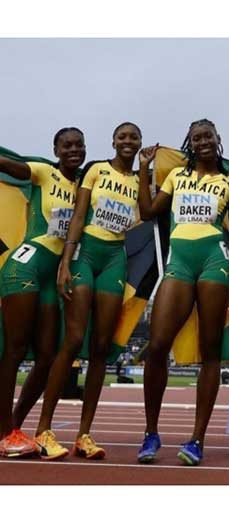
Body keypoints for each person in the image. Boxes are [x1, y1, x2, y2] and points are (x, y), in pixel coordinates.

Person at [136, 119, 229, 466]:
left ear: (218, 140)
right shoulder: (176, 177)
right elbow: (148, 211)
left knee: (210, 351)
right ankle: (151, 433)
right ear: (189, 142)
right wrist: (143, 171)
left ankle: (197, 438)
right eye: (196, 138)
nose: (202, 142)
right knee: (156, 346)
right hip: (180, 262)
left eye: (208, 137)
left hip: (215, 260)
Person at [32, 122, 143, 460]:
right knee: (75, 339)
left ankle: (84, 434)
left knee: (100, 346)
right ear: (113, 141)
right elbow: (79, 216)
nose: (127, 141)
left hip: (115, 259)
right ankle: (43, 430)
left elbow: (151, 212)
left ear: (139, 143)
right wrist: (66, 261)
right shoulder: (95, 170)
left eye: (133, 137)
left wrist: (150, 168)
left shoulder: (140, 181)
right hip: (86, 254)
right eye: (122, 136)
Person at [0, 128, 85, 457]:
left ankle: (14, 426)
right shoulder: (42, 171)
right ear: (56, 149)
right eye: (67, 145)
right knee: (15, 350)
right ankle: (4, 431)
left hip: (54, 277)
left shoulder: (83, 188)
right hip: (26, 265)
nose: (73, 150)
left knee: (47, 355)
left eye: (79, 145)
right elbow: (7, 165)